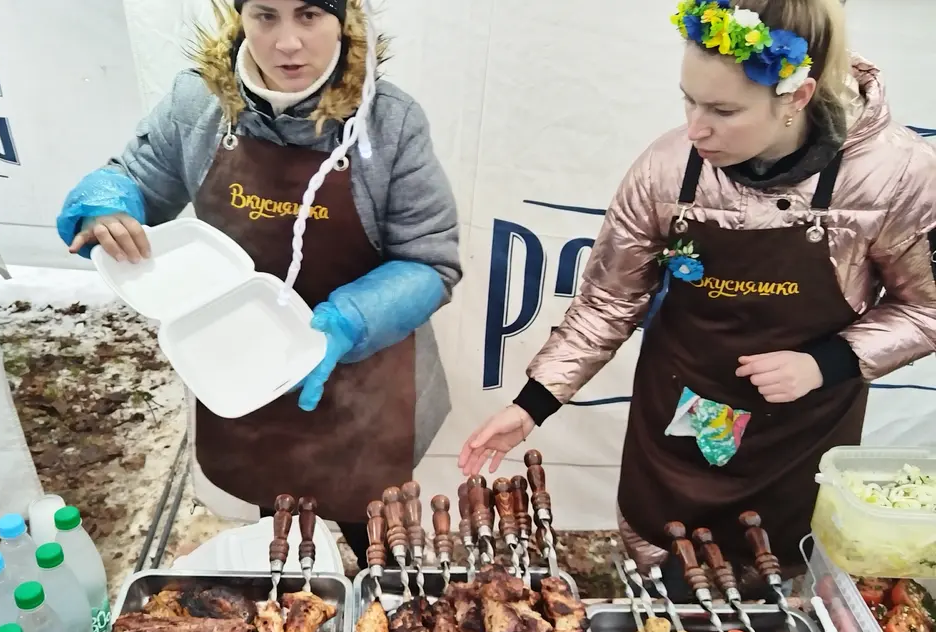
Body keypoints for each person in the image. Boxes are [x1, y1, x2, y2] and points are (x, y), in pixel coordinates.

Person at [459, 0, 936, 588]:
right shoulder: (668, 169)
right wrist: (531, 404)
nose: (695, 128)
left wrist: (826, 361)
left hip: (797, 437)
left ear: (797, 97)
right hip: (681, 423)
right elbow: (607, 303)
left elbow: (927, 307)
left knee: (770, 604)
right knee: (667, 591)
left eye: (724, 109)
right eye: (688, 99)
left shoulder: (897, 176)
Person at [56, 0, 461, 568]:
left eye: (309, 15)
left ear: (344, 21)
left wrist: (345, 324)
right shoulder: (198, 105)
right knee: (285, 544)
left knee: (385, 548)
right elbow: (133, 182)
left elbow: (429, 262)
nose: (287, 43)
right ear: (239, 16)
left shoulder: (389, 122)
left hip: (362, 375)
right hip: (244, 366)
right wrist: (106, 205)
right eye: (265, 16)